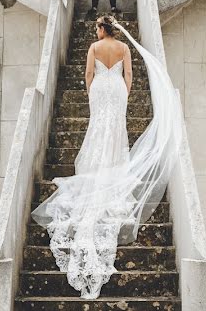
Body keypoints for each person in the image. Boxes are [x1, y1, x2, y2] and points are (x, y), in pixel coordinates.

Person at [31, 16, 183, 299]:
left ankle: (97, 168)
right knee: (115, 132)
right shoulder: (124, 48)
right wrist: (123, 95)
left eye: (97, 28)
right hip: (116, 92)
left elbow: (88, 76)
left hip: (101, 91)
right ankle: (114, 166)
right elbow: (129, 77)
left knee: (98, 130)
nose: (95, 31)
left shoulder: (93, 47)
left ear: (102, 29)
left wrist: (92, 95)